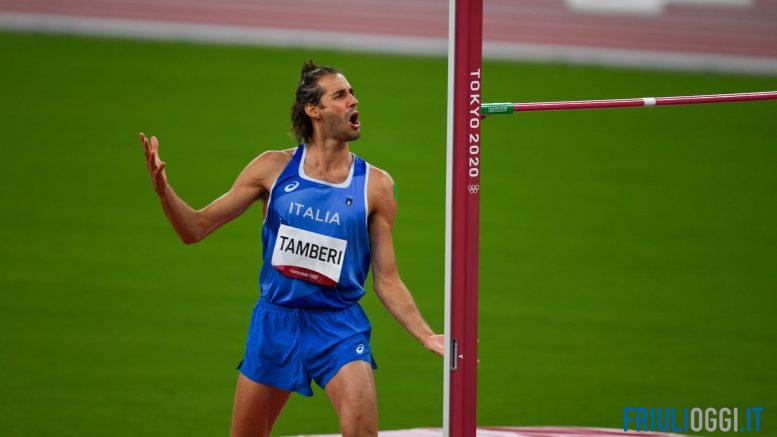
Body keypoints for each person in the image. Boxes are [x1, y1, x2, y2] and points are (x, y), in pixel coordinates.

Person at [139, 60, 444, 437]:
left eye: (352, 92)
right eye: (340, 95)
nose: (353, 100)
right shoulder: (271, 169)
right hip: (276, 323)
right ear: (313, 110)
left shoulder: (376, 186)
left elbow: (387, 279)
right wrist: (163, 192)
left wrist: (425, 334)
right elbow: (194, 228)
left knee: (362, 431)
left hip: (338, 325)